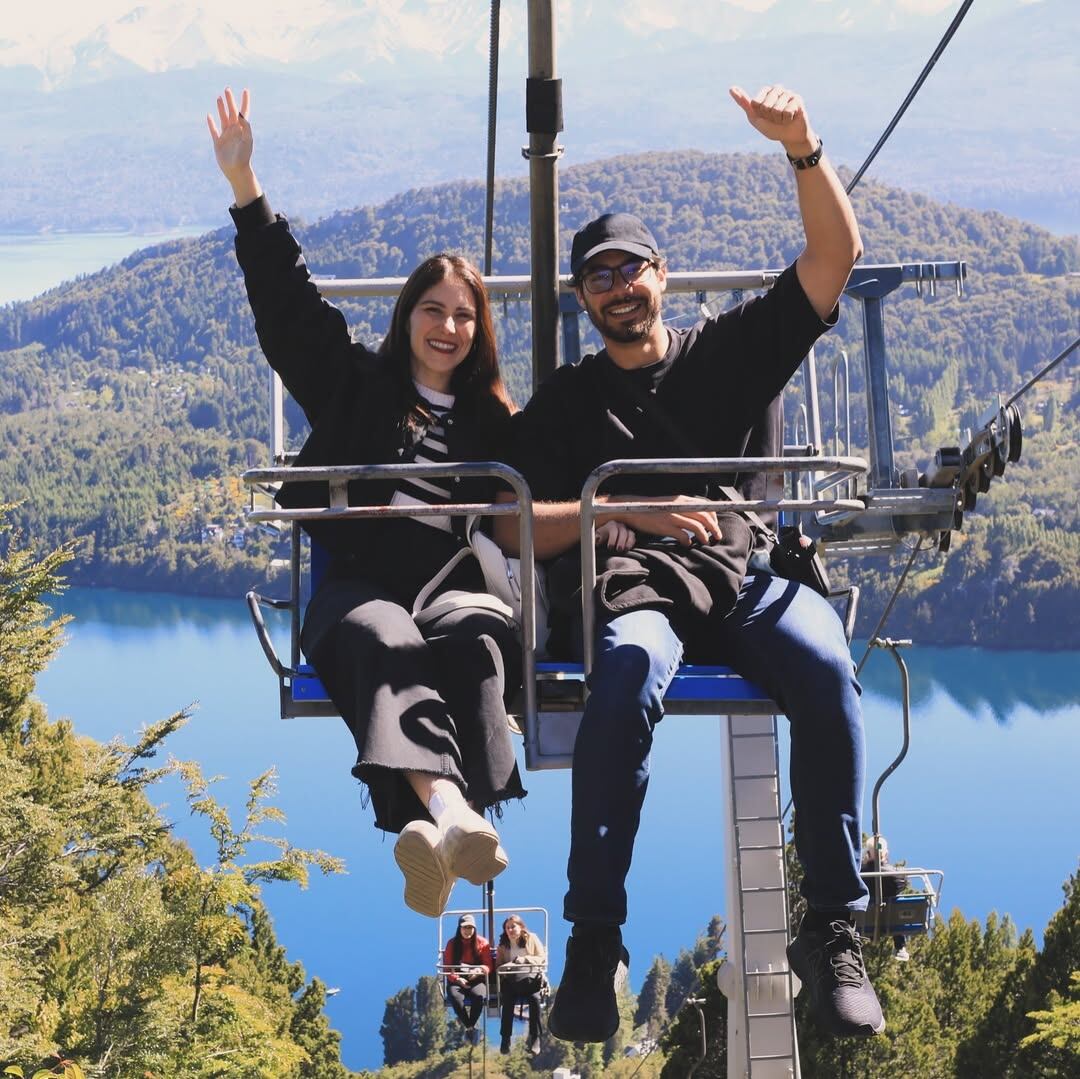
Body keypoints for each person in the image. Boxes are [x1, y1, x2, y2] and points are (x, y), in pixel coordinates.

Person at [497, 84, 884, 1041]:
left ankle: (831, 923)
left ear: (662, 277)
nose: (618, 287)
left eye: (631, 268)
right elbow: (511, 525)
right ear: (584, 301)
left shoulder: (727, 355)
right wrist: (617, 509)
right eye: (598, 278)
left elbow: (834, 260)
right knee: (624, 673)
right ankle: (594, 939)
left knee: (829, 667)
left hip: (742, 583)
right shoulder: (568, 406)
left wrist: (801, 148)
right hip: (641, 597)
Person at [208, 87, 525, 919]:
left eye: (463, 316)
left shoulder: (498, 421)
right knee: (377, 637)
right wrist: (247, 188)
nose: (448, 328)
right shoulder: (357, 388)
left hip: (452, 582)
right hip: (363, 584)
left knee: (479, 634)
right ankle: (455, 813)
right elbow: (290, 313)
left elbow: (551, 493)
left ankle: (442, 819)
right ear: (406, 317)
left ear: (479, 332)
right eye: (433, 310)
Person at [495, 914, 546, 1055]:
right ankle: (506, 1038)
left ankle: (535, 1037)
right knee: (508, 1001)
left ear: (521, 927)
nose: (510, 930)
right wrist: (508, 968)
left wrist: (525, 960)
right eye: (507, 928)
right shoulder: (503, 946)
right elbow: (498, 966)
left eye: (513, 926)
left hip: (530, 977)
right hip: (511, 980)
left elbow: (541, 958)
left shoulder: (532, 938)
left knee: (535, 999)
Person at [443, 914, 495, 1041]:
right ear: (459, 929)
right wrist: (457, 979)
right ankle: (470, 1026)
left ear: (474, 929)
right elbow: (447, 968)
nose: (467, 931)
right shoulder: (452, 944)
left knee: (478, 997)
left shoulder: (482, 943)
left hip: (476, 979)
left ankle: (469, 1027)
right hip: (457, 978)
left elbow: (488, 965)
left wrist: (479, 971)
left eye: (470, 928)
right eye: (465, 927)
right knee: (455, 998)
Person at [861, 835, 911, 961]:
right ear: (886, 853)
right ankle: (900, 946)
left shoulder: (859, 873)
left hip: (865, 920)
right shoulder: (897, 876)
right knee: (896, 901)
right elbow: (903, 884)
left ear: (867, 853)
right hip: (889, 919)